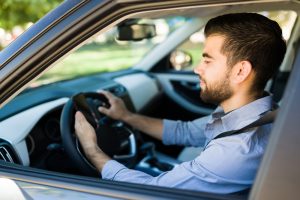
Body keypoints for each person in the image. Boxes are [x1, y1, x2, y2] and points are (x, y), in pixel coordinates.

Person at [74, 13, 286, 194]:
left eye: (207, 60)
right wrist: (126, 116)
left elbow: (152, 192)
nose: (197, 68)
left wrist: (92, 150)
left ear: (240, 71)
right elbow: (185, 131)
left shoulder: (236, 151)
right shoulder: (252, 111)